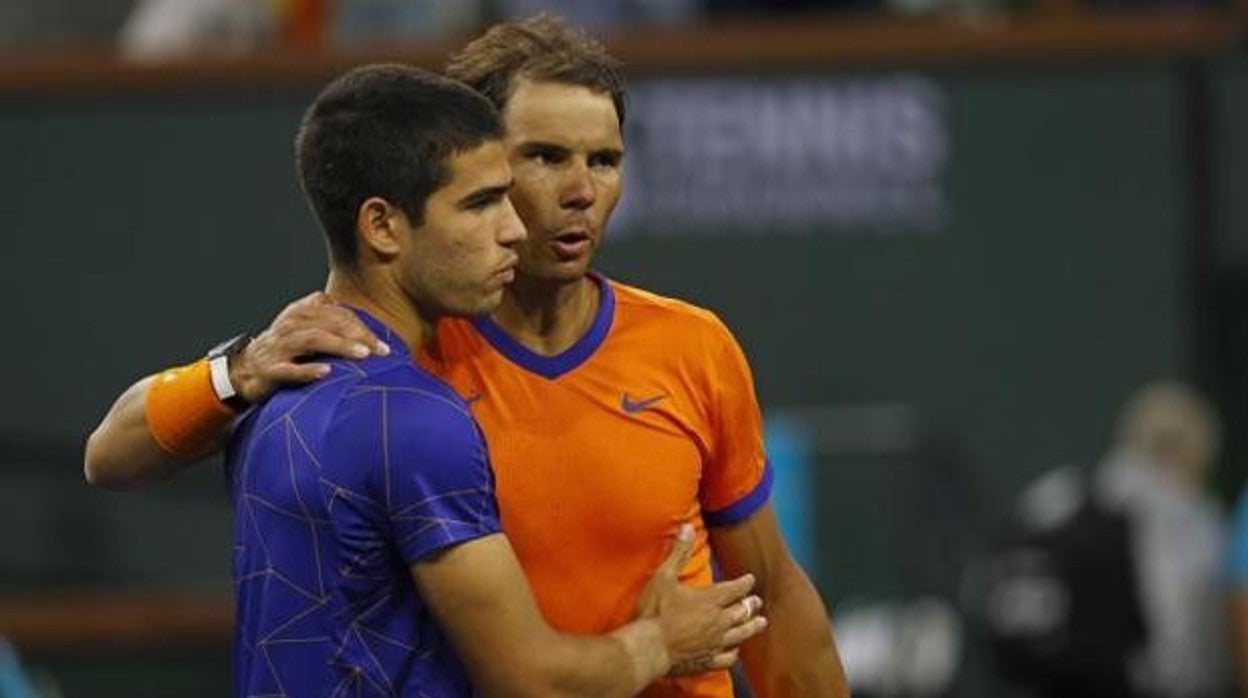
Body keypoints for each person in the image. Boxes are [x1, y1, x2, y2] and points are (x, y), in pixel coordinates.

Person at [85, 15, 846, 698]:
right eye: (544, 158)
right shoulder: (379, 362)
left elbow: (772, 595)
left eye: (605, 161)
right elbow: (111, 454)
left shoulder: (694, 346)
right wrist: (238, 369)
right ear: (474, 159)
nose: (581, 190)